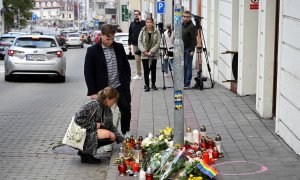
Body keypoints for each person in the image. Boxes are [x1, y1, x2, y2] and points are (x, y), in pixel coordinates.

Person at [84, 24, 131, 135]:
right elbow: (88, 72)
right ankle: (107, 138)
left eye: (112, 39)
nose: (110, 41)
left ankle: (125, 132)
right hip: (102, 89)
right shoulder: (92, 51)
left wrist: (127, 80)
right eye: (108, 39)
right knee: (103, 115)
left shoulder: (118, 47)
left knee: (126, 108)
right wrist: (92, 92)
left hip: (119, 86)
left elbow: (126, 65)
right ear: (101, 36)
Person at [75, 86, 124, 164]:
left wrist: (122, 140)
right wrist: (94, 125)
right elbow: (77, 119)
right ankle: (86, 155)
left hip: (91, 131)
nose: (114, 103)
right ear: (107, 99)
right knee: (108, 134)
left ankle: (85, 152)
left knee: (113, 136)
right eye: (114, 101)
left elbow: (110, 126)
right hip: (83, 132)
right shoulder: (93, 104)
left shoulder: (107, 108)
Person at [138, 17, 161, 92]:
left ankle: (153, 84)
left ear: (153, 23)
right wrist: (144, 51)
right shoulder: (142, 31)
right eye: (147, 22)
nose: (149, 24)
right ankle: (147, 85)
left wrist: (151, 51)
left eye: (150, 22)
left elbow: (158, 43)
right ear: (146, 23)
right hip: (144, 54)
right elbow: (139, 42)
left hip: (153, 54)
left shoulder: (157, 31)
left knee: (153, 69)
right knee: (146, 70)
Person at [128, 10, 146, 80]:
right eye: (135, 14)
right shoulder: (132, 24)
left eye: (137, 14)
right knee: (137, 60)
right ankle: (139, 74)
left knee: (145, 59)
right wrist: (129, 44)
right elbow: (130, 34)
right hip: (135, 44)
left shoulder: (143, 23)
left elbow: (145, 30)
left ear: (140, 15)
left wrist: (141, 22)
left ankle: (148, 73)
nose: (136, 15)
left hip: (143, 44)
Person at [182, 10, 197, 88]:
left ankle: (187, 83)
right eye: (184, 17)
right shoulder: (181, 25)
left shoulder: (192, 27)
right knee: (183, 66)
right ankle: (183, 82)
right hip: (181, 49)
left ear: (190, 17)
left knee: (188, 66)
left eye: (187, 17)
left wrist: (192, 50)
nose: (185, 18)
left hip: (188, 49)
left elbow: (194, 40)